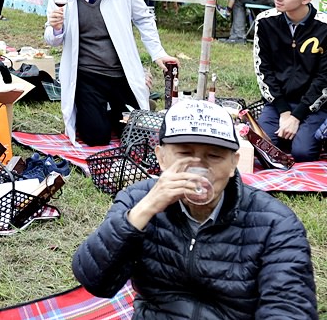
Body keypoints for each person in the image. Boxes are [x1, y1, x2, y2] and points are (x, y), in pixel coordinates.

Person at [72, 99, 317, 319]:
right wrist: (141, 213)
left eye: (213, 156)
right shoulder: (137, 200)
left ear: (234, 163)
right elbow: (95, 280)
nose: (198, 169)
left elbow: (289, 308)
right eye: (184, 154)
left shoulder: (275, 223)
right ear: (161, 157)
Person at [45, 0, 177, 145]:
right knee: (96, 138)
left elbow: (144, 18)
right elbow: (52, 40)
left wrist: (158, 53)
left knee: (136, 139)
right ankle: (96, 114)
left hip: (120, 73)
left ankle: (125, 110)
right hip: (87, 75)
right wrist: (56, 28)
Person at [253, 0, 327, 162]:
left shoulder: (324, 28)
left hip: (314, 105)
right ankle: (289, 133)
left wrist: (297, 116)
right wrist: (284, 112)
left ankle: (305, 132)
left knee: (302, 153)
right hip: (279, 102)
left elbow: (324, 79)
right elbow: (263, 70)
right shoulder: (265, 22)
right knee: (263, 150)